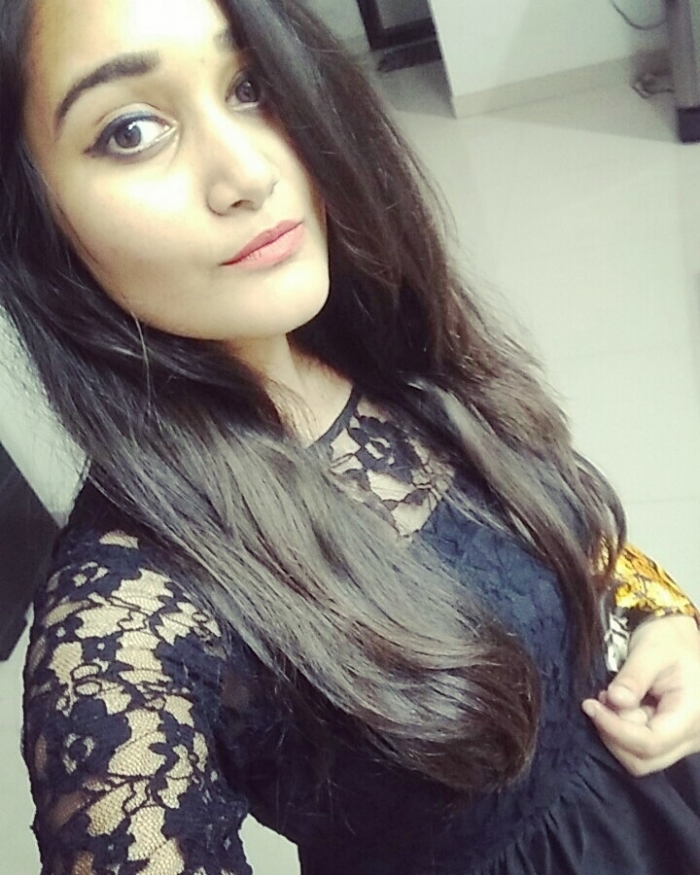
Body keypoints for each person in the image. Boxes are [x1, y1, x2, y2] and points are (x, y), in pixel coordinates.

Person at [1, 0, 699, 872]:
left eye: (249, 85)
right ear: (32, 217)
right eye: (132, 130)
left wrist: (662, 622)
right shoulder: (119, 627)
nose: (248, 172)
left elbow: (553, 537)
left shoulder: (379, 336)